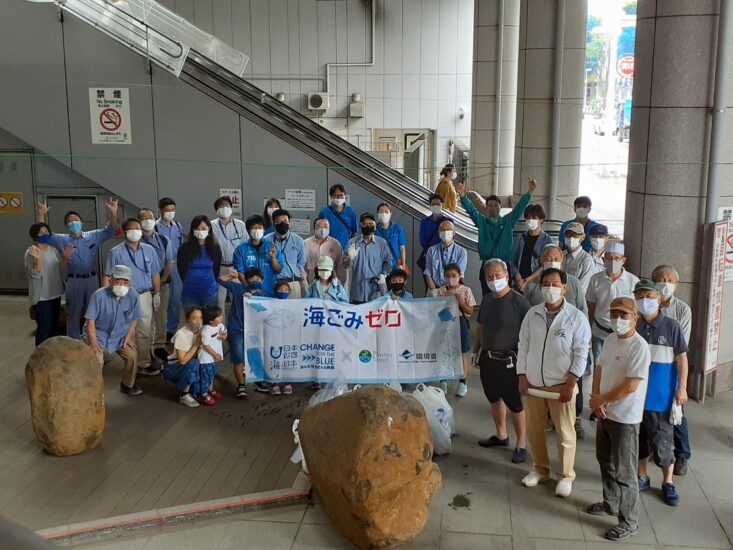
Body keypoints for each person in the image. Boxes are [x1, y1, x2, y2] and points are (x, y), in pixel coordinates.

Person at [517, 268, 591, 498]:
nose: (550, 288)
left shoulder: (576, 317)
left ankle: (566, 476)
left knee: (565, 433)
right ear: (540, 287)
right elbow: (523, 345)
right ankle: (540, 469)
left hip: (562, 385)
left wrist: (571, 382)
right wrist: (522, 376)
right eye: (546, 284)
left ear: (564, 288)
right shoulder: (532, 314)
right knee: (535, 430)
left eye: (555, 284)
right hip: (534, 383)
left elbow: (581, 352)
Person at [587, 297, 651, 541]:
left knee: (625, 472)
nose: (618, 319)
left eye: (624, 315)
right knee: (605, 460)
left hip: (625, 418)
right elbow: (600, 368)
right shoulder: (612, 339)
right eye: (615, 314)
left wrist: (602, 400)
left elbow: (631, 385)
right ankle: (610, 502)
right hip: (605, 412)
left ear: (635, 319)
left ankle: (629, 521)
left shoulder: (639, 346)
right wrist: (595, 397)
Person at [524, 244, 590, 437]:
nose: (552, 261)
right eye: (548, 258)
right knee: (544, 381)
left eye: (556, 258)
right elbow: (526, 315)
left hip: (568, 344)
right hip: (542, 344)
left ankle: (575, 418)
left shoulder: (574, 283)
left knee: (574, 380)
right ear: (540, 262)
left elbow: (583, 311)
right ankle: (547, 416)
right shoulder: (532, 285)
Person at [633, 279, 688, 507]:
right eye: (641, 297)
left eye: (650, 297)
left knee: (663, 442)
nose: (646, 302)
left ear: (659, 300)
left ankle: (667, 482)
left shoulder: (672, 327)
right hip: (635, 396)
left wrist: (682, 388)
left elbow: (682, 359)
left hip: (660, 397)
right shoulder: (633, 324)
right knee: (640, 439)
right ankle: (642, 476)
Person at [474, 259, 530, 463]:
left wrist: (526, 361)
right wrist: (475, 350)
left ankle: (521, 443)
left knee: (515, 403)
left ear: (507, 277)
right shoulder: (487, 299)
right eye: (490, 276)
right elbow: (480, 325)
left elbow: (531, 329)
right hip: (488, 358)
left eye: (498, 275)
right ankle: (501, 435)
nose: (494, 279)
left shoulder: (519, 301)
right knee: (493, 398)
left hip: (511, 360)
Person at [38, 198, 119, 339]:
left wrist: (113, 213)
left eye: (76, 219)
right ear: (67, 225)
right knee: (73, 314)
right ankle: (74, 343)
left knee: (94, 312)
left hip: (92, 280)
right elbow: (43, 235)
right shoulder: (61, 239)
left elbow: (111, 230)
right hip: (74, 281)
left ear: (81, 222)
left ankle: (92, 340)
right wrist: (41, 214)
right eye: (70, 220)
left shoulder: (93, 236)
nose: (74, 222)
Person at [455, 178, 536, 295]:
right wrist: (462, 195)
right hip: (487, 264)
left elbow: (519, 209)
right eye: (490, 205)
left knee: (504, 296)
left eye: (496, 205)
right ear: (486, 208)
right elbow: (472, 211)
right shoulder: (481, 221)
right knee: (487, 296)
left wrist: (530, 191)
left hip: (504, 265)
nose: (493, 207)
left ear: (500, 207)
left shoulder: (508, 221)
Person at [103, 217, 162, 377]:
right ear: (124, 232)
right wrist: (107, 299)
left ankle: (144, 361)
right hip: (124, 296)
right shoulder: (116, 252)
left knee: (145, 330)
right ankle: (131, 362)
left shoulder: (149, 250)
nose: (136, 231)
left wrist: (157, 293)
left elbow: (155, 274)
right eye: (132, 228)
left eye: (138, 228)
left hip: (145, 295)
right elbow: (108, 276)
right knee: (127, 329)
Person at [651, 264, 693, 476]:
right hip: (652, 367)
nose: (664, 284)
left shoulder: (683, 310)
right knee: (654, 412)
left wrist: (682, 385)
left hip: (673, 365)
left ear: (676, 285)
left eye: (669, 280)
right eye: (660, 279)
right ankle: (655, 447)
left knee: (677, 412)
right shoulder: (648, 306)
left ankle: (682, 454)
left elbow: (681, 345)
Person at [84, 265, 142, 396]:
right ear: (110, 281)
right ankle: (93, 391)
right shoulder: (98, 296)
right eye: (118, 281)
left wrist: (128, 337)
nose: (122, 285)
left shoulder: (133, 295)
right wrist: (93, 342)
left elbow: (135, 318)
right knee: (97, 360)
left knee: (132, 355)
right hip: (98, 335)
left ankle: (127, 385)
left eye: (125, 282)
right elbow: (90, 321)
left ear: (130, 282)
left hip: (120, 335)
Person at [586, 242, 640, 370]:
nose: (613, 261)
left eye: (616, 258)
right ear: (604, 260)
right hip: (600, 331)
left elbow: (636, 310)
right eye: (609, 258)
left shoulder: (633, 281)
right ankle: (598, 390)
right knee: (599, 366)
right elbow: (591, 306)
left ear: (623, 260)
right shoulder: (595, 279)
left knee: (620, 367)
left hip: (624, 333)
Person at [25, 222, 70, 345]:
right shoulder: (31, 252)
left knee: (52, 328)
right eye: (41, 232)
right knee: (44, 329)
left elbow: (59, 268)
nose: (45, 234)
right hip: (41, 297)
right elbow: (35, 274)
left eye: (46, 232)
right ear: (35, 235)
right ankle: (39, 357)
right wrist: (38, 259)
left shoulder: (53, 250)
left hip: (55, 294)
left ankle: (49, 355)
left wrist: (65, 258)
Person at [139, 208, 175, 357]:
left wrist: (162, 280)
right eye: (144, 218)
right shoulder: (135, 240)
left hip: (162, 282)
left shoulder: (164, 240)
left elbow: (170, 261)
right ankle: (144, 348)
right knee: (144, 320)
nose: (148, 220)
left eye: (150, 217)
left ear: (155, 219)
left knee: (160, 316)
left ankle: (159, 345)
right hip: (142, 287)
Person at [436, 262, 476, 397]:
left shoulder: (466, 290)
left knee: (462, 353)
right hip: (444, 324)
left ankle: (462, 382)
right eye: (447, 276)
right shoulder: (441, 290)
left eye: (454, 275)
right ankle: (443, 381)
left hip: (460, 322)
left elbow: (470, 310)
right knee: (444, 351)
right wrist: (442, 298)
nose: (451, 278)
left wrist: (458, 300)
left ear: (459, 275)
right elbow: (433, 309)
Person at [217, 268, 254, 398]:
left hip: (254, 329)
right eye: (251, 279)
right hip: (236, 328)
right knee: (238, 358)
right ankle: (241, 384)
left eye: (258, 279)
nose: (254, 281)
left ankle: (260, 382)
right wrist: (232, 276)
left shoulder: (263, 293)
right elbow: (220, 280)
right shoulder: (239, 288)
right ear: (245, 280)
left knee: (255, 356)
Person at [343, 213, 392, 304]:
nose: (368, 226)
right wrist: (350, 258)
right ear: (360, 225)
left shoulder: (381, 243)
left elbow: (388, 263)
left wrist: (383, 274)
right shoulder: (352, 242)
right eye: (365, 224)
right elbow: (345, 265)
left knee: (375, 317)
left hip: (376, 292)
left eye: (371, 224)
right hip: (357, 292)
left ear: (375, 225)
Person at [177, 215, 222, 310]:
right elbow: (181, 269)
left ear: (209, 229)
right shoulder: (185, 248)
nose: (200, 231)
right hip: (190, 292)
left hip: (209, 292)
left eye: (203, 228)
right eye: (197, 228)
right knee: (193, 322)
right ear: (193, 230)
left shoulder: (215, 248)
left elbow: (216, 269)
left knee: (209, 322)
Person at [163, 306, 204, 407]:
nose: (198, 321)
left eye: (200, 317)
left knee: (199, 390)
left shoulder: (203, 330)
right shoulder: (182, 334)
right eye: (194, 318)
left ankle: (195, 386)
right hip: (176, 365)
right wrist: (196, 345)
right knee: (194, 364)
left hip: (193, 363)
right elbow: (182, 360)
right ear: (187, 320)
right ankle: (183, 395)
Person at [211, 195, 247, 310]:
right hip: (219, 267)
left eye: (227, 205)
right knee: (219, 301)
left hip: (236, 268)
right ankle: (219, 327)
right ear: (216, 209)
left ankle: (235, 326)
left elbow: (245, 246)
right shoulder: (211, 225)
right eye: (221, 205)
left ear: (231, 208)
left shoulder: (240, 225)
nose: (224, 207)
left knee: (237, 299)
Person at [156, 197, 184, 342]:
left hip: (176, 267)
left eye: (172, 210)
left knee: (175, 300)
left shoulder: (178, 226)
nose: (170, 213)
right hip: (161, 267)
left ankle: (171, 330)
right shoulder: (155, 227)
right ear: (160, 210)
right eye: (167, 210)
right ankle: (158, 331)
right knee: (160, 302)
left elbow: (181, 246)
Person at [233, 215, 282, 297]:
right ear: (248, 230)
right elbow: (240, 272)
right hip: (249, 294)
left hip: (269, 291)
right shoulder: (240, 250)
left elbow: (278, 269)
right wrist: (248, 288)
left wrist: (273, 258)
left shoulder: (272, 246)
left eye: (259, 227)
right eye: (254, 228)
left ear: (264, 229)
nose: (257, 230)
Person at [264, 209, 307, 298]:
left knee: (294, 311)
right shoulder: (266, 240)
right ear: (274, 224)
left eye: (285, 221)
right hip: (274, 284)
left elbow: (301, 263)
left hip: (293, 283)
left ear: (289, 223)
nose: (282, 224)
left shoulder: (298, 240)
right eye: (278, 222)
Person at [511, 204, 553, 291]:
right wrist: (518, 278)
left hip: (537, 284)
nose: (530, 220)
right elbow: (511, 260)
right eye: (528, 218)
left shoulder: (547, 240)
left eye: (534, 218)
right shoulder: (519, 238)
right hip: (518, 283)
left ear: (541, 219)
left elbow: (546, 264)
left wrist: (526, 280)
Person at [424, 220, 468, 295]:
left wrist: (447, 289)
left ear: (454, 232)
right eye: (443, 230)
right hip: (434, 289)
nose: (446, 232)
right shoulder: (431, 250)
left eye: (449, 229)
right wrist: (434, 289)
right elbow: (428, 271)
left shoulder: (462, 252)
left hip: (452, 289)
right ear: (439, 233)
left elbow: (459, 274)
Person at [196, 305, 226, 406]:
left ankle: (210, 390)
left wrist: (224, 336)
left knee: (212, 375)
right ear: (210, 321)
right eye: (218, 316)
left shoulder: (219, 325)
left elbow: (225, 332)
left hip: (215, 357)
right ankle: (203, 394)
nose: (221, 317)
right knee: (205, 376)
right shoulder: (206, 330)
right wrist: (215, 354)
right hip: (206, 358)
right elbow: (205, 345)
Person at [304, 217, 345, 284]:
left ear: (329, 228)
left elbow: (340, 264)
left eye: (326, 226)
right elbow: (302, 266)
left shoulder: (335, 243)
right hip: (311, 281)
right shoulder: (305, 243)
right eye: (319, 226)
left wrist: (340, 282)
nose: (323, 229)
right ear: (314, 228)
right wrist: (305, 283)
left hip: (331, 281)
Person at [318, 184, 358, 250]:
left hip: (345, 249)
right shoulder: (324, 212)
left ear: (345, 196)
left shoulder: (350, 211)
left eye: (341, 195)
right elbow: (319, 231)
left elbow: (354, 232)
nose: (338, 198)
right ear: (331, 197)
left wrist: (351, 247)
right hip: (328, 249)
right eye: (335, 195)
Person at [418, 194, 450, 273]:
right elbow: (423, 241)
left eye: (438, 204)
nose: (436, 206)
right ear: (430, 206)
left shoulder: (448, 221)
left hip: (444, 258)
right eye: (433, 204)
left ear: (442, 205)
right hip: (429, 258)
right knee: (429, 283)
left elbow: (450, 240)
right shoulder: (424, 222)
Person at [562, 221, 596, 292]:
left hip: (574, 300)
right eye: (568, 234)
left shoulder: (586, 260)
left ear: (583, 237)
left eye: (575, 235)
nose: (571, 238)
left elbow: (581, 289)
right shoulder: (560, 255)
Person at [375, 202, 408, 270]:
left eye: (386, 212)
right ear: (377, 213)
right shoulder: (374, 229)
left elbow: (402, 248)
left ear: (390, 213)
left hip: (395, 264)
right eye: (381, 212)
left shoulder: (397, 228)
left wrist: (403, 265)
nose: (384, 214)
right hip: (379, 264)